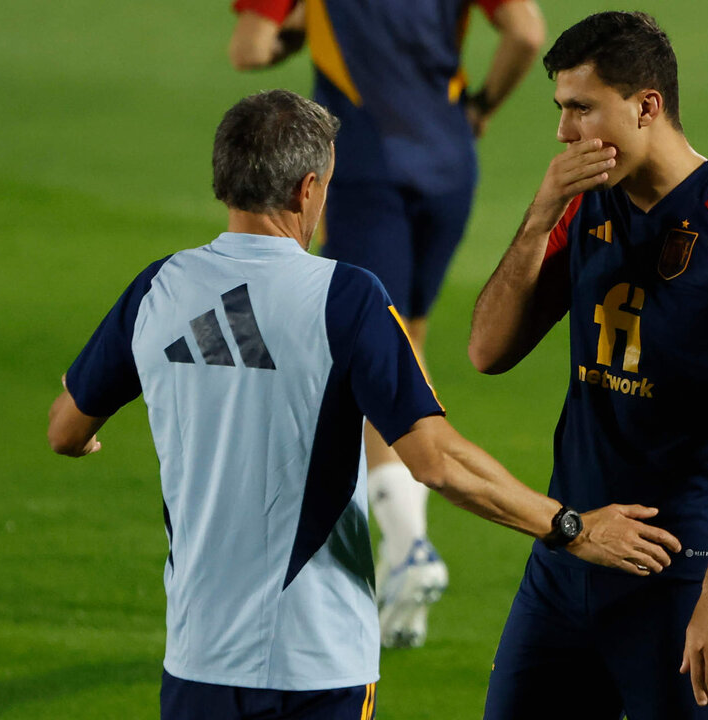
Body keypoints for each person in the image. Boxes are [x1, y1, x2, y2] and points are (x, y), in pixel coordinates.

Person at [46, 89, 681, 720]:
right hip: (316, 663)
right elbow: (436, 461)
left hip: (197, 660)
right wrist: (570, 527)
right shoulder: (343, 298)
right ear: (307, 189)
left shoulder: (157, 290)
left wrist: (86, 440)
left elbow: (65, 427)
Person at [468, 12, 708, 719]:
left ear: (646, 106)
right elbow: (487, 351)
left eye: (580, 108)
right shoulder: (585, 205)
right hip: (568, 562)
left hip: (678, 579)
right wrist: (539, 217)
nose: (564, 132)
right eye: (561, 109)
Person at [227, 0, 546, 647]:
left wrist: (300, 29)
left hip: (366, 162)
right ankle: (403, 572)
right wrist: (481, 105)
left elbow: (250, 50)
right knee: (408, 335)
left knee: (367, 350)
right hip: (449, 158)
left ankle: (407, 546)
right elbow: (527, 33)